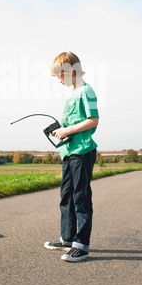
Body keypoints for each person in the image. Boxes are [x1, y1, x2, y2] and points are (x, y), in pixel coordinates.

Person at [44, 52, 99, 262]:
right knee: (66, 196)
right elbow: (72, 124)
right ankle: (67, 238)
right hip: (68, 152)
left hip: (82, 152)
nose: (59, 80)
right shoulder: (73, 93)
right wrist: (60, 130)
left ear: (70, 71)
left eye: (60, 76)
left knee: (81, 198)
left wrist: (67, 131)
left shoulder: (87, 91)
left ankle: (81, 245)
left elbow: (93, 120)